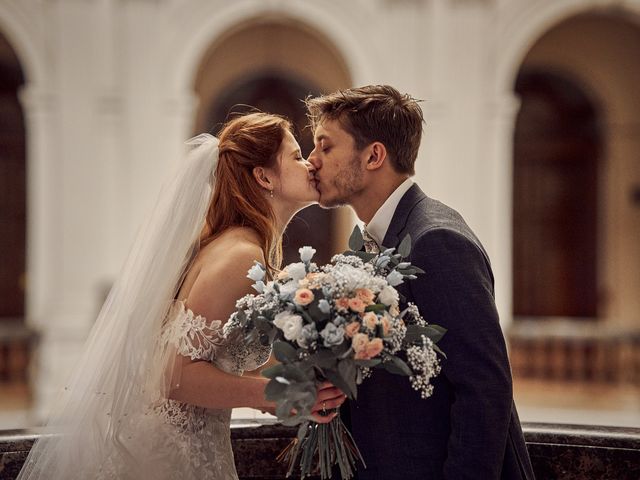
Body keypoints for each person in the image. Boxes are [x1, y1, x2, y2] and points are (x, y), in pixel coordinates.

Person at [17, 112, 346, 480]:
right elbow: (173, 377)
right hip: (172, 455)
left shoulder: (248, 249)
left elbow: (222, 358)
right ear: (264, 176)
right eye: (296, 156)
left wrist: (302, 382)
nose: (310, 165)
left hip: (196, 444)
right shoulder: (240, 256)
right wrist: (274, 393)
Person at [306, 85, 535, 480]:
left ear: (374, 155)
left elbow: (484, 388)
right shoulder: (379, 238)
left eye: (325, 147)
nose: (312, 161)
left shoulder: (435, 240)